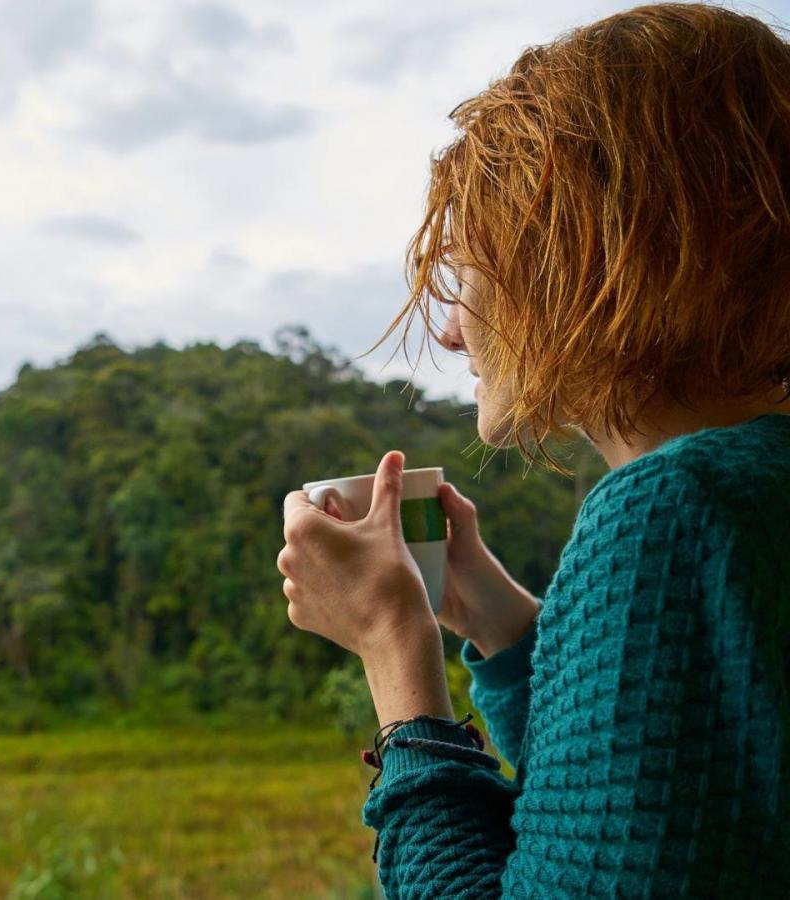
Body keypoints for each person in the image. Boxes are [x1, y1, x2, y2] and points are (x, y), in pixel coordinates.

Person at [277, 3, 790, 896]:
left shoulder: (669, 508)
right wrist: (494, 619)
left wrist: (396, 650)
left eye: (468, 275)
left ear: (584, 260)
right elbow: (646, 810)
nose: (448, 336)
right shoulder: (750, 485)